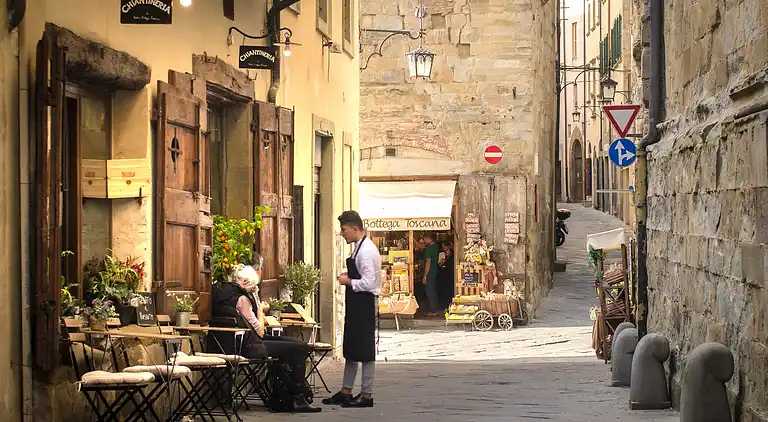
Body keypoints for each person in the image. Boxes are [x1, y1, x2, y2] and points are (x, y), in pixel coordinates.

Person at [208, 255, 321, 413]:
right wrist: (260, 311)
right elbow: (260, 331)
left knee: (292, 346)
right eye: (252, 286)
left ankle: (283, 396)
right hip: (248, 346)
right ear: (245, 282)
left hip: (229, 343)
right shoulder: (242, 299)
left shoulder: (221, 292)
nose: (252, 290)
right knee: (300, 348)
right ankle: (297, 397)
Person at [323, 210, 381, 408]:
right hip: (356, 304)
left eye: (344, 229)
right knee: (352, 347)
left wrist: (348, 281)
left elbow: (368, 282)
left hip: (364, 304)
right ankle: (346, 390)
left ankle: (366, 394)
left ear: (356, 229)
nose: (342, 233)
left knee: (365, 350)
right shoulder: (358, 247)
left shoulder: (366, 252)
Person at [421, 232, 441, 315]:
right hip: (435, 271)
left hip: (429, 273)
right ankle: (435, 309)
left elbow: (428, 263)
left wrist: (425, 276)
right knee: (433, 291)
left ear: (428, 239)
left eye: (424, 239)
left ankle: (433, 311)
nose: (424, 241)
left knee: (429, 291)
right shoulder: (435, 246)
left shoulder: (429, 248)